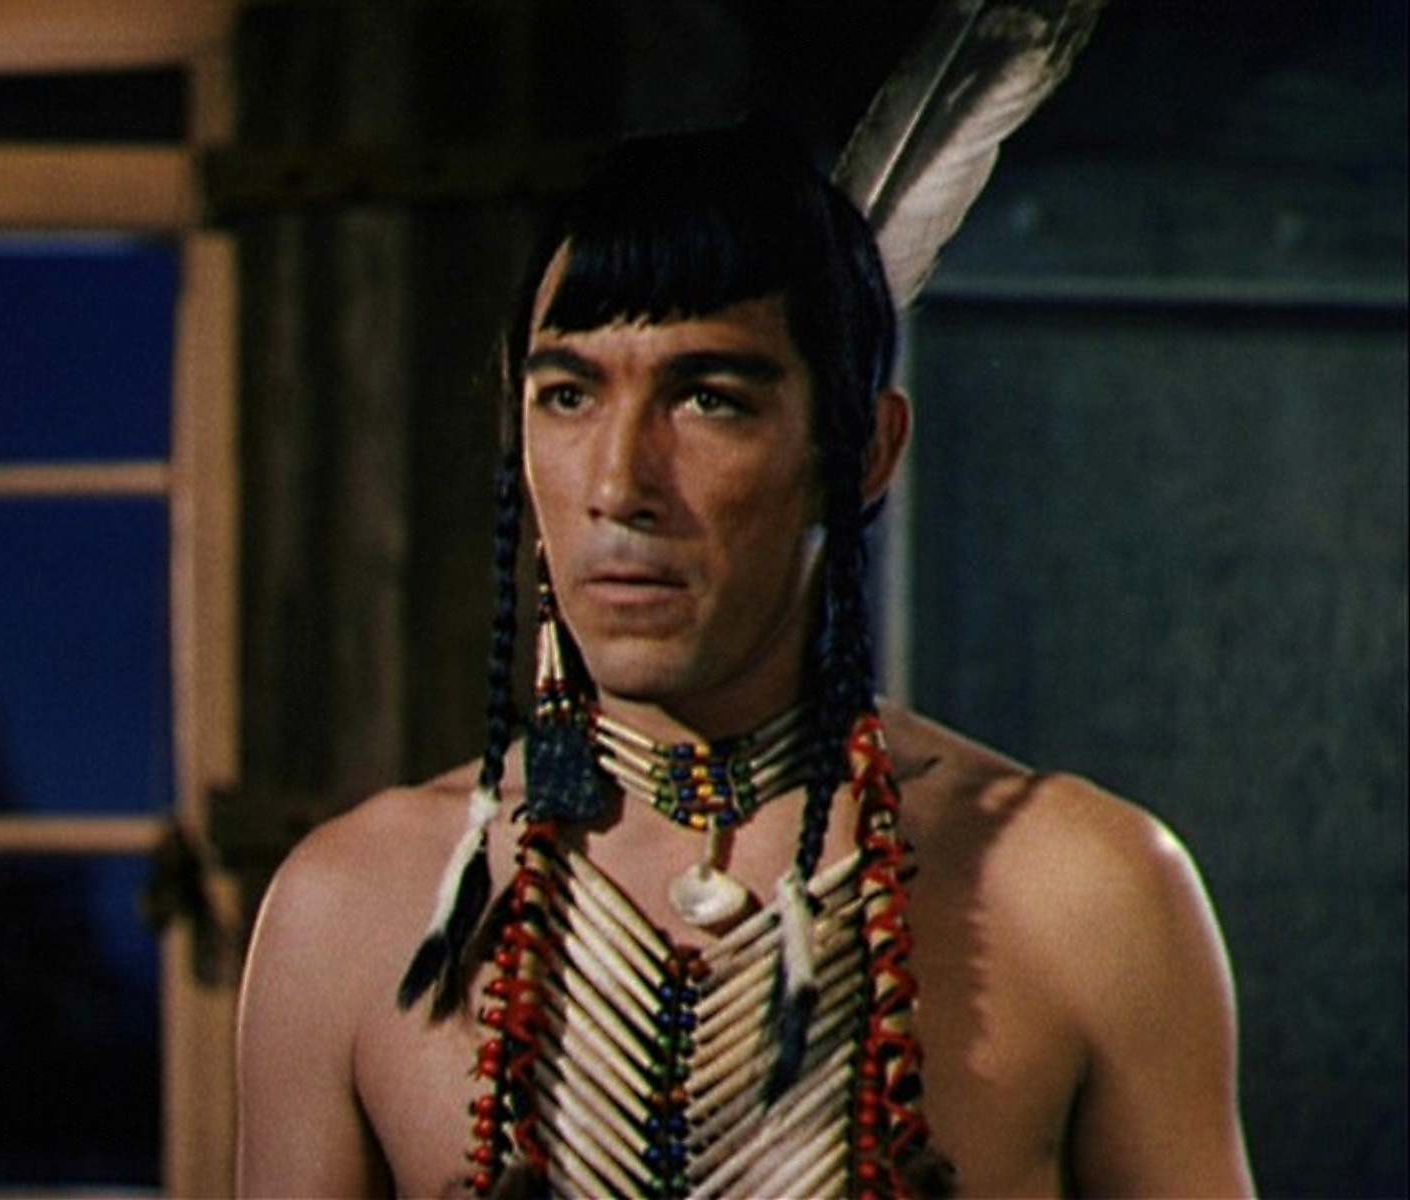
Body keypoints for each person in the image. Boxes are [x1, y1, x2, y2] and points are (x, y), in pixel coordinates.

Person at [235, 121, 1254, 1198]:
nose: (618, 484)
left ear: (862, 452)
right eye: (569, 395)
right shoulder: (350, 914)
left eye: (707, 398)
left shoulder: (1084, 896)